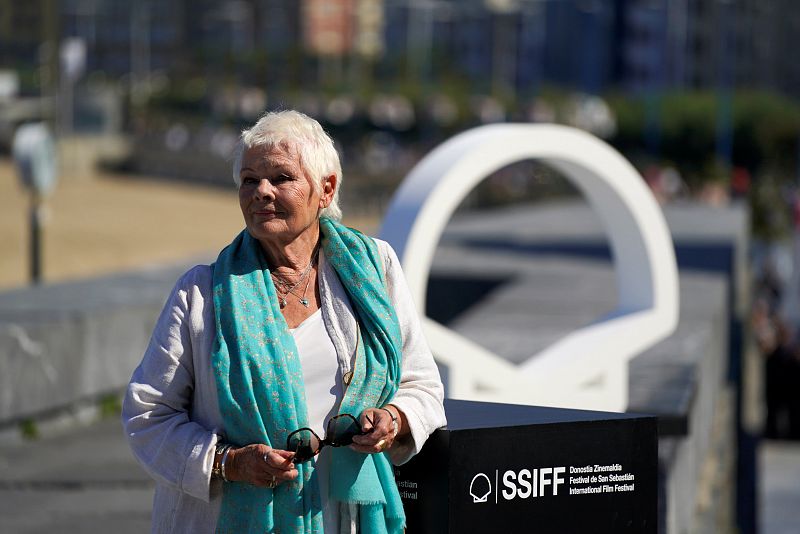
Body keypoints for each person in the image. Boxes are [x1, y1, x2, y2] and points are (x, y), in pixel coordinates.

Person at [122, 110, 447, 533]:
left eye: (281, 178)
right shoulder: (201, 293)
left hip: (341, 518)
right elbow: (147, 416)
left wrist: (394, 421)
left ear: (325, 190)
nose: (261, 192)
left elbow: (422, 385)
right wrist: (227, 463)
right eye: (249, 180)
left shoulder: (374, 268)